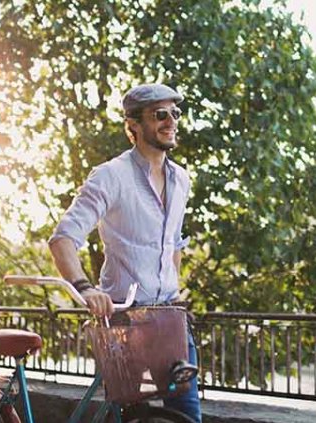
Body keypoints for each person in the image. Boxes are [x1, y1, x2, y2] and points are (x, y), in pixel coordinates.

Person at [48, 83, 201, 422]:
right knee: (132, 416)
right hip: (125, 322)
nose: (170, 121)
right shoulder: (111, 177)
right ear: (132, 126)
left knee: (188, 416)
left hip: (171, 322)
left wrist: (175, 294)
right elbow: (62, 239)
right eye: (159, 115)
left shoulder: (182, 180)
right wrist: (87, 289)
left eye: (174, 113)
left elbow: (173, 245)